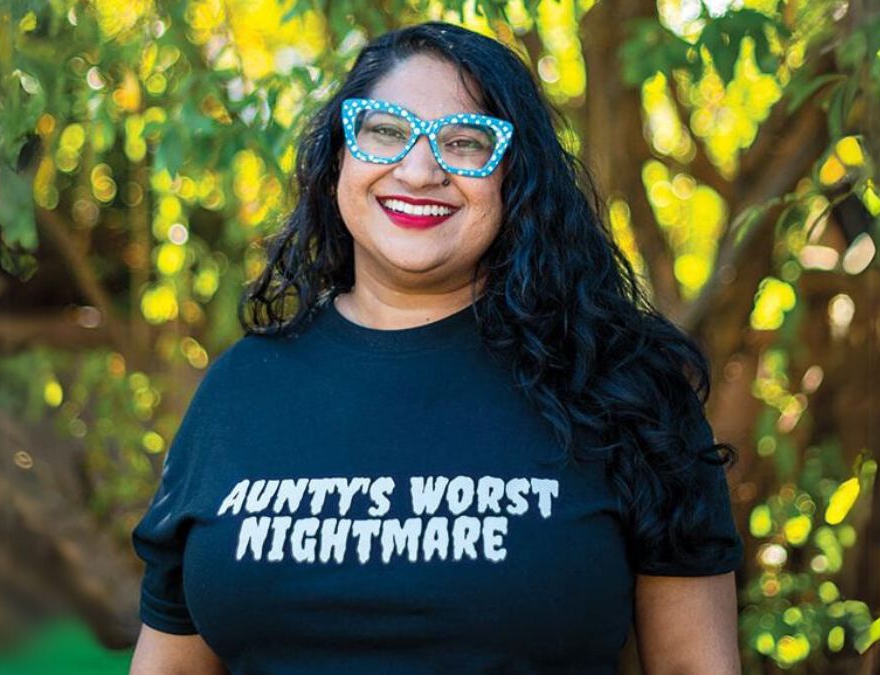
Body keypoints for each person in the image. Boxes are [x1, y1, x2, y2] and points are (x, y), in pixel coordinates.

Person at [129, 20, 743, 675]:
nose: (420, 170)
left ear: (514, 178)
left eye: (465, 142)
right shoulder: (238, 391)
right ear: (339, 159)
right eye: (386, 131)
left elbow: (693, 666)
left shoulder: (624, 386)